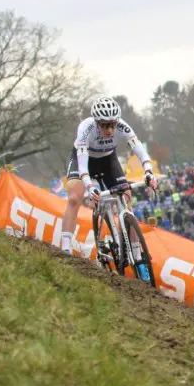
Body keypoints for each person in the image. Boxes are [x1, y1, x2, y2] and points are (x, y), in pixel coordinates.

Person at [62, 96, 157, 279]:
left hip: (107, 160)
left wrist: (148, 170)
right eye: (105, 125)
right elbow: (82, 166)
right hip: (85, 161)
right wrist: (89, 186)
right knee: (74, 198)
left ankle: (138, 257)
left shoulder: (122, 126)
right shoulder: (85, 128)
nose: (110, 129)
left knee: (127, 198)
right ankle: (65, 248)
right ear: (97, 122)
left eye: (113, 124)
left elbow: (138, 148)